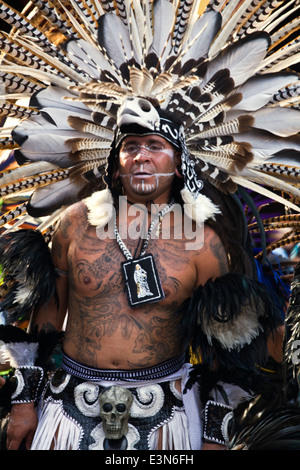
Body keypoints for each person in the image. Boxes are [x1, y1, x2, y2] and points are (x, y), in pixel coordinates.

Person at [2, 104, 282, 451]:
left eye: (154, 145)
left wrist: (214, 435)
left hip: (167, 416)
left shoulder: (203, 243)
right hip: (68, 405)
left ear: (178, 164)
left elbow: (221, 353)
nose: (141, 157)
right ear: (115, 166)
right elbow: (46, 318)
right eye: (131, 147)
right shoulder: (75, 224)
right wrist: (25, 402)